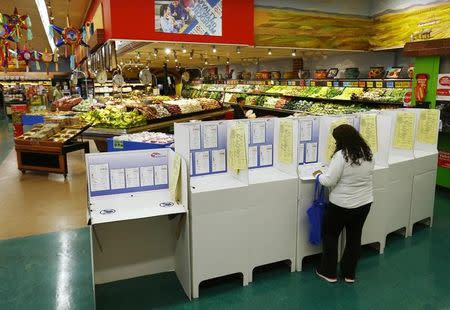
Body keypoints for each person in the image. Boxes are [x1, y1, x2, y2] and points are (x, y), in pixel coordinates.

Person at [313, 124, 374, 284]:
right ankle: (349, 274)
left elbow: (329, 180)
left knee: (331, 235)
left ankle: (328, 272)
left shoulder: (341, 155)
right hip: (364, 203)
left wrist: (318, 175)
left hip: (341, 204)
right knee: (354, 237)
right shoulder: (367, 152)